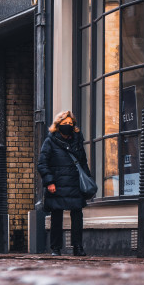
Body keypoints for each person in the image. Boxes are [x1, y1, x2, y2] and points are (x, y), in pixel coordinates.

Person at [37, 110, 92, 257]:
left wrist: (87, 180)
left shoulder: (77, 139)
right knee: (56, 216)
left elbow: (83, 162)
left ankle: (78, 247)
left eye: (70, 123)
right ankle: (55, 248)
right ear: (58, 125)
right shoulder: (50, 141)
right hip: (57, 185)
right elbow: (42, 164)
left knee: (77, 216)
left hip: (74, 184)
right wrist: (49, 182)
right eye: (64, 123)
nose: (67, 125)